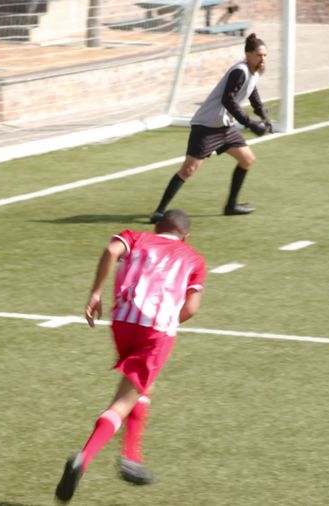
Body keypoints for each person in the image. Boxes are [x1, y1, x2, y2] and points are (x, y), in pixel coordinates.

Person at [55, 209, 206, 503]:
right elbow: (191, 308)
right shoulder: (193, 258)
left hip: (123, 323)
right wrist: (168, 322)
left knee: (141, 387)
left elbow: (111, 250)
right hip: (156, 331)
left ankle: (131, 457)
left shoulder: (135, 236)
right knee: (123, 401)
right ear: (185, 236)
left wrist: (95, 293)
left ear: (158, 227)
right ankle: (83, 459)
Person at [149, 33, 273, 224]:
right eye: (259, 55)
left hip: (224, 127)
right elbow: (228, 100)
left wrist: (263, 116)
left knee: (247, 159)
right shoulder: (239, 71)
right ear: (248, 55)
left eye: (265, 55)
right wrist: (249, 123)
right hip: (206, 126)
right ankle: (159, 211)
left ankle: (231, 205)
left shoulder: (254, 72)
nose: (262, 59)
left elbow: (252, 93)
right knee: (188, 170)